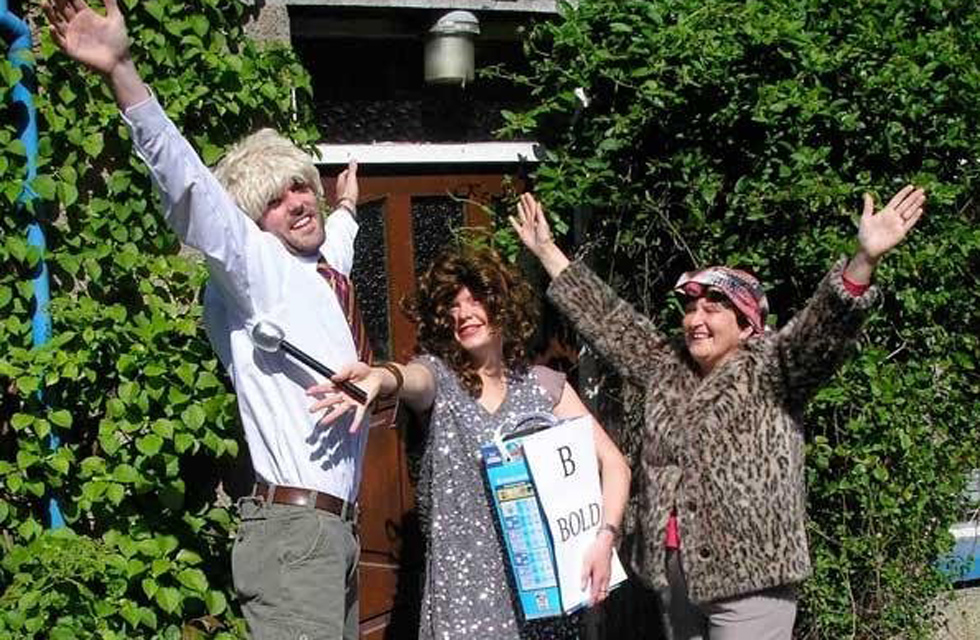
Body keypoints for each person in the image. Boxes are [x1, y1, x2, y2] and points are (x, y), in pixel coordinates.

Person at [44, 1, 374, 637]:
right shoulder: (260, 270)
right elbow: (191, 187)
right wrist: (122, 70)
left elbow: (339, 239)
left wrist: (349, 206)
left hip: (336, 532)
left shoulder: (323, 270)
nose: (296, 203)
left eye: (299, 187)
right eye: (274, 201)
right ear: (253, 225)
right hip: (297, 535)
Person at [509, 188, 925, 640]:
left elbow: (824, 327)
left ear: (747, 326)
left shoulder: (776, 369)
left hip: (752, 580)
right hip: (676, 577)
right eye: (690, 309)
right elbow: (608, 320)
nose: (695, 319)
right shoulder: (667, 367)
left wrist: (863, 260)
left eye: (712, 308)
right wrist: (546, 251)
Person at [307, 246, 632, 639]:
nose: (463, 313)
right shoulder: (440, 379)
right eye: (453, 305)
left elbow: (615, 465)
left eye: (475, 300)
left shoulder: (545, 387)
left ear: (502, 304)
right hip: (462, 609)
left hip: (544, 607)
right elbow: (412, 380)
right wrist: (381, 377)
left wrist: (604, 539)